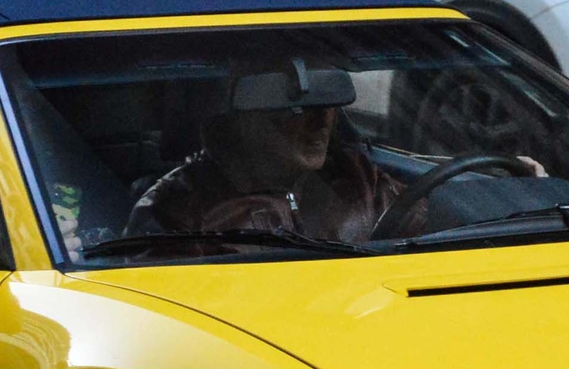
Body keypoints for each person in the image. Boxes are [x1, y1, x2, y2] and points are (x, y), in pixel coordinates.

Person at [125, 63, 400, 243]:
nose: (321, 122)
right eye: (296, 107)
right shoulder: (176, 215)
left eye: (328, 102)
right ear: (242, 118)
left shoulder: (360, 179)